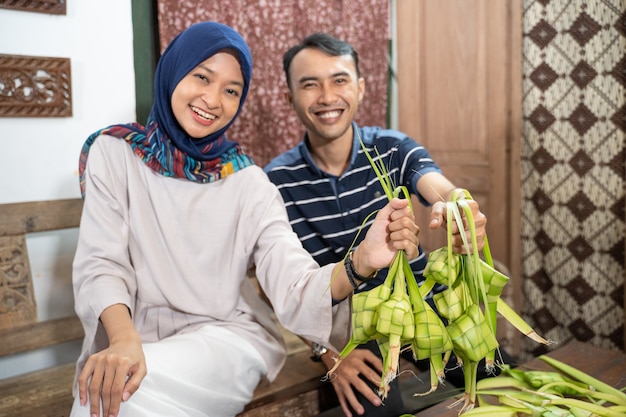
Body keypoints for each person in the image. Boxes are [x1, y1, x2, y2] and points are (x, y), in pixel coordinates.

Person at [69, 22, 421, 417]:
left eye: (231, 90)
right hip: (133, 335)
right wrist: (122, 340)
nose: (213, 99)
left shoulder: (249, 182)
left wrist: (361, 261)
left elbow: (292, 281)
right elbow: (102, 262)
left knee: (116, 397)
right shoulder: (114, 154)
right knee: (100, 394)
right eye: (201, 76)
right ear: (171, 70)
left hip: (226, 340)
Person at [264, 33, 490, 417]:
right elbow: (282, 286)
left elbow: (432, 181)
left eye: (339, 80)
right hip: (355, 330)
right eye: (309, 84)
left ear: (361, 87)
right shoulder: (274, 183)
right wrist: (327, 355)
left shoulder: (391, 147)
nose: (327, 96)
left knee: (492, 383)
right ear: (289, 97)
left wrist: (458, 205)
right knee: (373, 407)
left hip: (426, 306)